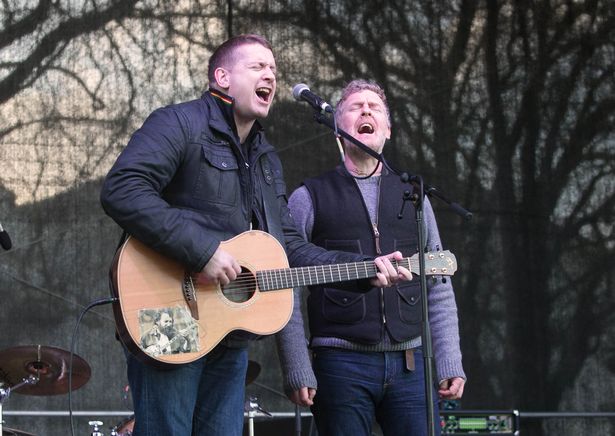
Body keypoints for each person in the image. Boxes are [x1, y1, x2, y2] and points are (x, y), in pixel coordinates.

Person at [100, 36, 410, 436]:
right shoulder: (178, 122)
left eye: (274, 70)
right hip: (168, 310)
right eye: (258, 67)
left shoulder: (265, 158)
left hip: (227, 334)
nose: (270, 75)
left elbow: (289, 248)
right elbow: (122, 189)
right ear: (222, 77)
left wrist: (364, 270)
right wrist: (202, 252)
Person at [276, 79, 466, 436]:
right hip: (338, 363)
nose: (365, 110)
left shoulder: (414, 196)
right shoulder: (308, 196)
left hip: (411, 364)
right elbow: (285, 282)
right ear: (337, 127)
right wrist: (297, 364)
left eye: (374, 107)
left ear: (388, 131)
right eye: (354, 107)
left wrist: (449, 360)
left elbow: (439, 286)